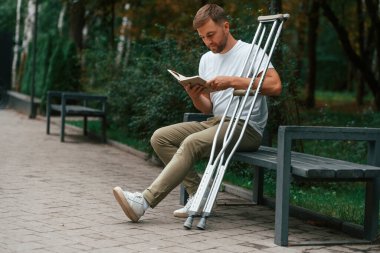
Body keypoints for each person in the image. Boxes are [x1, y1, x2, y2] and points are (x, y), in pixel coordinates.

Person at [113, 3, 282, 222]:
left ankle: (143, 202)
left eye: (211, 34)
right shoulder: (206, 59)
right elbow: (208, 107)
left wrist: (231, 81)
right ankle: (199, 193)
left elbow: (275, 86)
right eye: (203, 37)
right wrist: (193, 93)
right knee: (160, 138)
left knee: (192, 142)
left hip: (245, 127)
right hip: (216, 122)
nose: (208, 42)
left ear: (226, 26)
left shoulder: (250, 51)